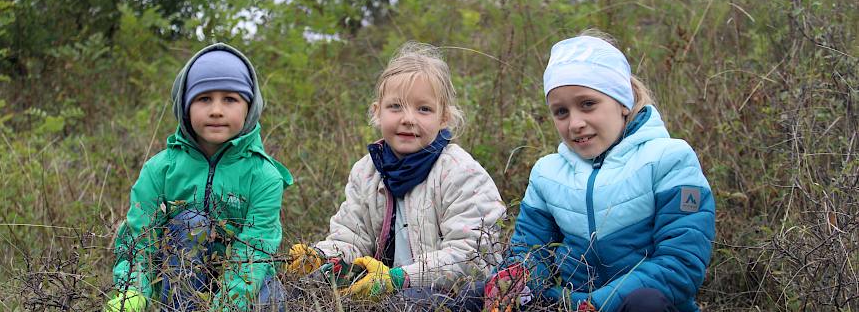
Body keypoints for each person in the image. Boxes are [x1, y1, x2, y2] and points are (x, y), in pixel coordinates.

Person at [485, 32, 715, 312]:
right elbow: (530, 252)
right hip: (568, 306)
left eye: (588, 104)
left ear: (623, 101)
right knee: (478, 295)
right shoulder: (547, 173)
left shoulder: (670, 159)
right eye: (561, 112)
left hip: (639, 306)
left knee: (646, 303)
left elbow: (681, 264)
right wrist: (515, 284)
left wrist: (594, 304)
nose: (575, 123)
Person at [287, 42, 505, 310]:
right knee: (300, 293)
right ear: (377, 111)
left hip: (452, 293)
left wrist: (399, 278)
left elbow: (474, 258)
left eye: (424, 109)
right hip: (383, 288)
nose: (408, 119)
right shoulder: (367, 171)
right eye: (395, 107)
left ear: (444, 117)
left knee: (404, 305)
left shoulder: (461, 172)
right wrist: (321, 256)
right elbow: (352, 238)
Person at [106, 43, 293, 311]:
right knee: (192, 223)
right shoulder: (160, 170)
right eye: (204, 98)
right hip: (176, 284)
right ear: (185, 105)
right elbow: (139, 241)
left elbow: (254, 249)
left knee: (272, 301)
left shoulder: (264, 176)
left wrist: (225, 305)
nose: (216, 110)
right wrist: (132, 292)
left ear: (250, 107)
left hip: (244, 283)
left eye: (230, 99)